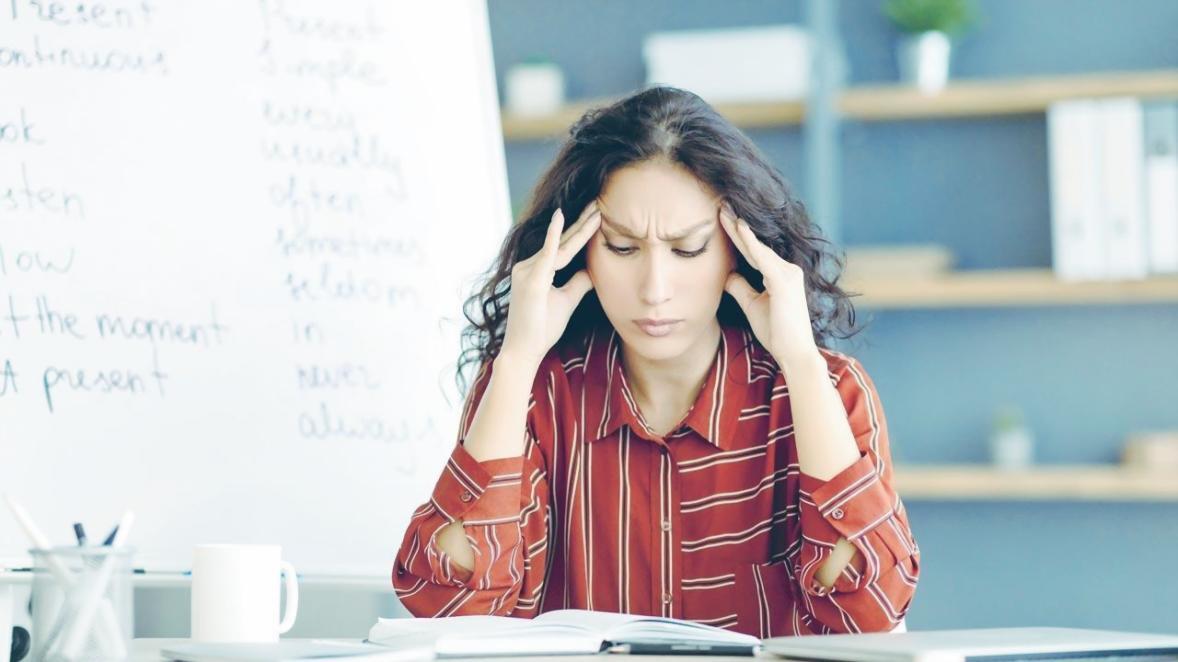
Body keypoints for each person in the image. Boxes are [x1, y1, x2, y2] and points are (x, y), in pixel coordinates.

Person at [392, 86, 919, 637]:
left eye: (688, 250)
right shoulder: (534, 391)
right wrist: (519, 356)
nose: (654, 290)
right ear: (579, 252)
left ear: (740, 251)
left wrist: (802, 365)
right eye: (622, 248)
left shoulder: (828, 391)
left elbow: (867, 616)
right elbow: (450, 608)